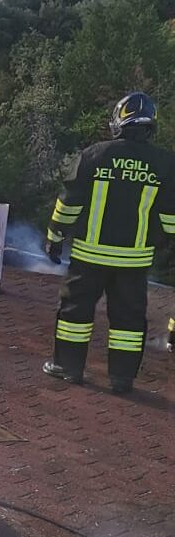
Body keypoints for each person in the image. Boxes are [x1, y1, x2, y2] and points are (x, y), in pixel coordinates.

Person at [44, 92, 175, 394]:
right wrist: (154, 240)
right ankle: (122, 379)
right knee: (128, 320)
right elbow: (170, 221)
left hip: (89, 256)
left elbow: (69, 204)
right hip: (134, 261)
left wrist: (54, 238)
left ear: (119, 122)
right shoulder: (165, 164)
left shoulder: (94, 155)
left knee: (75, 313)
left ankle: (68, 368)